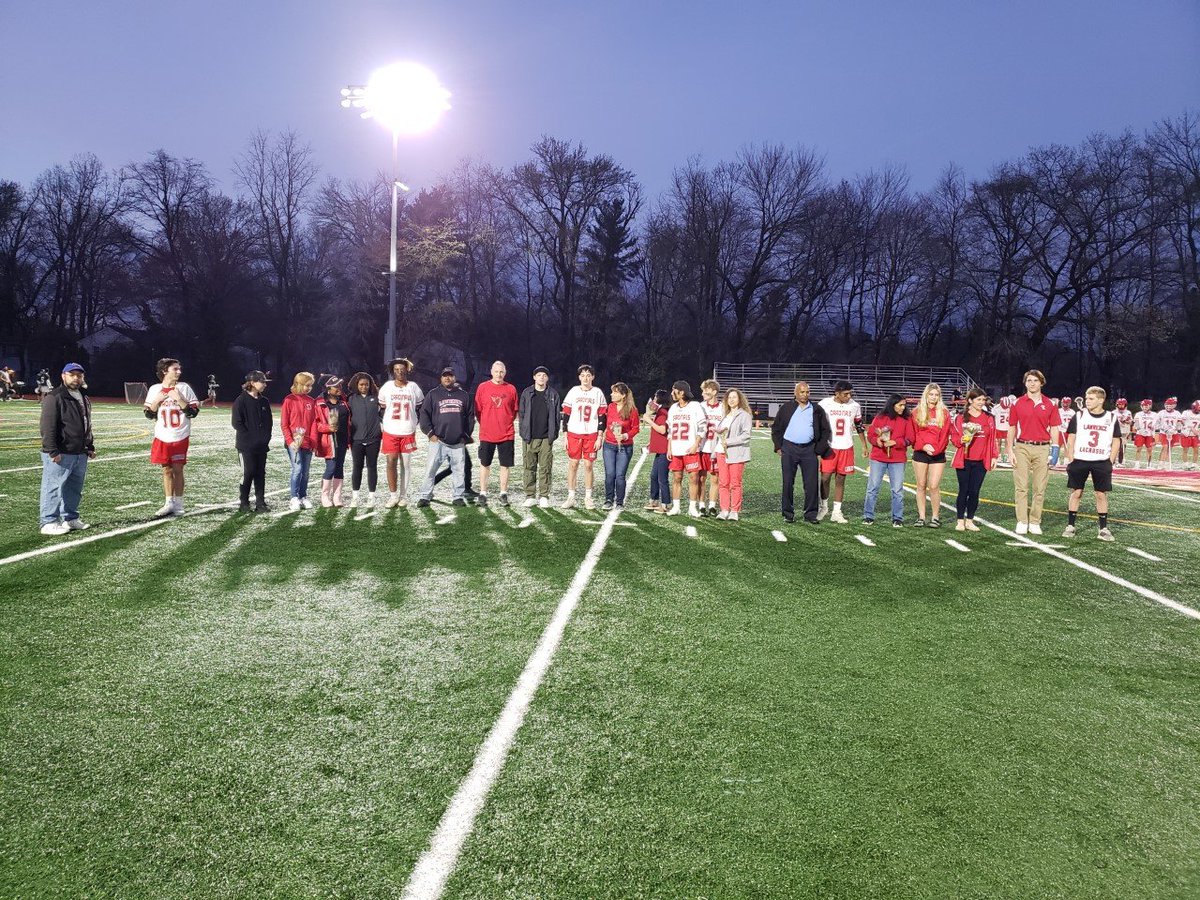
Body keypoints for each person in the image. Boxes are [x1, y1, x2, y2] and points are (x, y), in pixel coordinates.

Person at [38, 362, 95, 535]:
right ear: (64, 376)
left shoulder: (83, 396)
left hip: (80, 451)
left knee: (74, 489)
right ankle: (48, 521)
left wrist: (89, 445)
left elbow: (86, 423)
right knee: (53, 486)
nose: (76, 378)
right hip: (61, 451)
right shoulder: (54, 396)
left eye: (79, 375)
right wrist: (52, 450)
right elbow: (47, 426)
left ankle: (70, 518)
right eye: (72, 374)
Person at [1004, 369, 1061, 536]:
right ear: (1025, 383)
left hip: (1043, 448)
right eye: (1029, 380)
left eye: (1035, 380)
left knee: (1039, 487)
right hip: (1022, 447)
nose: (1032, 383)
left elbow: (1055, 427)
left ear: (1041, 382)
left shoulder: (1050, 404)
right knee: (1021, 487)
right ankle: (1022, 520)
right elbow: (1012, 427)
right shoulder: (1018, 403)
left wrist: (1055, 448)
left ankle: (1035, 521)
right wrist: (1010, 450)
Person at [144, 358, 201, 518]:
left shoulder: (184, 388)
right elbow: (149, 414)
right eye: (175, 369)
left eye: (179, 369)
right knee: (166, 470)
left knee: (178, 469)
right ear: (164, 371)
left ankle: (179, 503)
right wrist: (156, 401)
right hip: (162, 435)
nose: (179, 371)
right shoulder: (155, 389)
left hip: (180, 434)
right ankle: (168, 502)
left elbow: (193, 412)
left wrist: (179, 399)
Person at [1063, 386, 1121, 542]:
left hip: (1101, 460)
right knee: (1076, 492)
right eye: (1086, 398)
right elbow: (1071, 438)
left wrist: (1111, 460)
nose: (1087, 401)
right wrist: (1071, 458)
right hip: (1080, 459)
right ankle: (1070, 525)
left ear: (1101, 400)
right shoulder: (1079, 415)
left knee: (1101, 494)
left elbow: (1116, 440)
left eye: (1091, 399)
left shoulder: (1111, 417)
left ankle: (1103, 528)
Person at [771, 381, 832, 524]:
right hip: (789, 449)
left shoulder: (816, 409)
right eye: (802, 392)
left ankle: (811, 514)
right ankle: (788, 514)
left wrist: (818, 449)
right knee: (788, 482)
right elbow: (776, 428)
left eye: (807, 392)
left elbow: (825, 430)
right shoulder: (786, 408)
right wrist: (779, 446)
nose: (805, 395)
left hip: (809, 450)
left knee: (811, 483)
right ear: (795, 393)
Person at [417, 366, 474, 507]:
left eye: (450, 375)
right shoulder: (433, 394)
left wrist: (465, 435)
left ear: (454, 378)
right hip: (438, 441)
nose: (447, 378)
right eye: (444, 376)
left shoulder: (463, 395)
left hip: (457, 441)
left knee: (459, 471)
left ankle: (458, 497)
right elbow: (424, 414)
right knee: (430, 469)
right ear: (441, 378)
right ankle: (425, 495)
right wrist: (430, 433)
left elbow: (470, 417)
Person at [817, 380, 867, 523]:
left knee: (840, 479)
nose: (849, 396)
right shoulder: (825, 403)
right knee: (825, 478)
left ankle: (837, 512)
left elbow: (859, 425)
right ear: (836, 393)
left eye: (850, 393)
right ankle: (824, 507)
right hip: (829, 446)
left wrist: (864, 445)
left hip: (846, 446)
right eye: (845, 394)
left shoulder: (855, 406)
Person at [377, 357, 424, 508]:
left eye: (402, 369)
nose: (399, 372)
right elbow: (382, 407)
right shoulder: (387, 387)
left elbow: (419, 406)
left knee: (406, 464)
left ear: (407, 370)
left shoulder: (414, 387)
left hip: (408, 430)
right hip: (391, 429)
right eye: (396, 369)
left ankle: (403, 496)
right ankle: (393, 496)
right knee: (391, 462)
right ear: (392, 371)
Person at [949, 389, 997, 532]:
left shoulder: (989, 417)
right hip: (964, 459)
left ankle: (970, 520)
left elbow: (992, 437)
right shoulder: (961, 417)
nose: (981, 403)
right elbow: (954, 437)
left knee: (975, 491)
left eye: (983, 400)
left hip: (981, 460)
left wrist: (994, 456)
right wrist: (962, 440)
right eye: (978, 400)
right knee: (964, 490)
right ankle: (959, 520)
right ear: (970, 401)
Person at [863, 394, 914, 527]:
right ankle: (868, 516)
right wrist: (878, 441)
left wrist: (895, 442)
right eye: (900, 405)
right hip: (878, 457)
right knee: (872, 488)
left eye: (904, 405)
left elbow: (910, 439)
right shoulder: (880, 418)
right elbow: (871, 435)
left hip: (897, 459)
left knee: (897, 490)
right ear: (892, 405)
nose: (903, 408)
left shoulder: (907, 419)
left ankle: (897, 518)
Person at [560, 364, 606, 509]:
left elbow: (602, 416)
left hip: (591, 433)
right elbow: (566, 414)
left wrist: (599, 436)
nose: (585, 378)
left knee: (588, 465)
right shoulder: (573, 391)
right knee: (573, 464)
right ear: (579, 377)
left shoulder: (597, 392)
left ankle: (588, 497)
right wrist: (565, 435)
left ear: (593, 377)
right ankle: (571, 497)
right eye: (583, 375)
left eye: (588, 375)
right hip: (574, 433)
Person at [475, 360, 519, 507]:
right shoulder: (482, 388)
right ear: (491, 371)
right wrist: (488, 423)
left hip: (506, 434)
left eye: (501, 372)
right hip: (487, 434)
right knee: (484, 464)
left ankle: (503, 493)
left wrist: (504, 422)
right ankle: (483, 493)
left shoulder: (511, 389)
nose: (499, 374)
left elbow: (513, 411)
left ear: (505, 373)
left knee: (505, 465)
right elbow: (478, 411)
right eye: (496, 371)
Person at [518, 365, 560, 508]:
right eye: (539, 375)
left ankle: (543, 496)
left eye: (544, 375)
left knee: (545, 467)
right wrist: (523, 433)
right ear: (534, 377)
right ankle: (530, 495)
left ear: (547, 378)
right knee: (529, 467)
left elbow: (556, 417)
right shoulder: (526, 393)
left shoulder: (553, 394)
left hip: (545, 438)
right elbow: (522, 414)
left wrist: (553, 435)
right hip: (529, 436)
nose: (541, 377)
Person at [231, 370, 272, 513]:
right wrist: (251, 437)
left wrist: (265, 438)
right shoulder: (241, 400)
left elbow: (269, 422)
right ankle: (244, 502)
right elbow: (237, 423)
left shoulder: (264, 401)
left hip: (261, 446)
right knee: (248, 472)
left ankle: (260, 502)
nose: (265, 385)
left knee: (260, 473)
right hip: (246, 446)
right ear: (253, 383)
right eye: (262, 382)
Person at [911, 382, 951, 528]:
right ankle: (921, 517)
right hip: (921, 453)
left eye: (936, 395)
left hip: (938, 454)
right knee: (921, 485)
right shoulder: (916, 412)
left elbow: (945, 435)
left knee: (933, 486)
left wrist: (936, 449)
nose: (933, 397)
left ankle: (935, 517)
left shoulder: (944, 413)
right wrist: (923, 446)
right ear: (926, 395)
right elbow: (914, 433)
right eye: (931, 394)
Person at [665, 380, 706, 518]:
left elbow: (702, 427)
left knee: (694, 478)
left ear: (681, 392)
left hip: (690, 449)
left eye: (674, 390)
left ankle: (692, 507)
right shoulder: (673, 408)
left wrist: (696, 444)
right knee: (676, 477)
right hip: (676, 448)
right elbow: (670, 431)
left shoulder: (695, 406)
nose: (672, 393)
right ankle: (676, 507)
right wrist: (669, 448)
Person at [280, 371, 318, 511]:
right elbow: (284, 424)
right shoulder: (289, 400)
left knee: (306, 472)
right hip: (294, 444)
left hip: (308, 442)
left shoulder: (311, 401)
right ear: (298, 384)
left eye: (310, 386)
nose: (309, 388)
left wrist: (314, 441)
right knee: (297, 469)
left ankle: (303, 496)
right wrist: (290, 441)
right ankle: (294, 498)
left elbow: (314, 422)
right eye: (306, 385)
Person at [714, 387, 752, 521]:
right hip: (721, 452)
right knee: (723, 482)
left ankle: (734, 510)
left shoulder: (745, 415)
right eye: (729, 398)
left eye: (734, 397)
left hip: (736, 453)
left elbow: (746, 435)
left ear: (739, 399)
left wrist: (729, 442)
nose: (731, 400)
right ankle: (724, 509)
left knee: (735, 483)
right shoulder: (725, 415)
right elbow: (720, 435)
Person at [601, 382, 640, 510]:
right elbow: (606, 423)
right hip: (609, 445)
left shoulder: (632, 410)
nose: (612, 394)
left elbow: (635, 428)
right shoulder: (610, 407)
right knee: (610, 474)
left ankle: (619, 502)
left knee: (620, 475)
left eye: (615, 392)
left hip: (625, 447)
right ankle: (608, 499)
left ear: (623, 395)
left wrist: (625, 436)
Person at [346, 372, 382, 508]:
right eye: (361, 384)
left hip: (374, 439)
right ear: (357, 385)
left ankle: (371, 497)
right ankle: (355, 497)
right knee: (357, 467)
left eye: (366, 384)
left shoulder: (376, 398)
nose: (364, 387)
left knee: (372, 467)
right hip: (357, 440)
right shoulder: (351, 399)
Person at [315, 376, 350, 507]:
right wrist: (327, 427)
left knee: (339, 467)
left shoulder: (344, 401)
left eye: (340, 386)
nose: (339, 389)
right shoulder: (320, 402)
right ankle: (325, 496)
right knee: (331, 467)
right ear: (328, 389)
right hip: (329, 440)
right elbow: (316, 423)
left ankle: (337, 497)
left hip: (342, 439)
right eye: (336, 386)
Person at [697, 378, 724, 516]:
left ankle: (712, 506)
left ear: (714, 392)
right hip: (702, 447)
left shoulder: (723, 408)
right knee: (701, 478)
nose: (703, 393)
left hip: (716, 447)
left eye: (706, 390)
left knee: (715, 479)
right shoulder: (700, 406)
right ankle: (701, 506)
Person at [642, 389, 671, 513]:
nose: (654, 399)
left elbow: (662, 430)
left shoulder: (663, 412)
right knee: (654, 476)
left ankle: (665, 504)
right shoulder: (660, 412)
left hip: (664, 450)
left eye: (655, 396)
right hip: (660, 449)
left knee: (662, 478)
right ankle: (654, 500)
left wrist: (648, 420)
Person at [1154, 396, 1182, 470]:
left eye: (1170, 405)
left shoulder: (1177, 413)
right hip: (1164, 432)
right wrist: (1165, 430)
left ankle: (1166, 464)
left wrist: (1174, 429)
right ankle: (1160, 464)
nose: (1168, 406)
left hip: (1173, 433)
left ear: (1174, 405)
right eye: (1167, 404)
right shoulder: (1161, 413)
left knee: (1170, 448)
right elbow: (1157, 423)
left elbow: (1179, 424)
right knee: (1165, 447)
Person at [1050, 396, 1075, 467]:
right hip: (1060, 430)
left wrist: (1069, 426)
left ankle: (1066, 461)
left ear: (1069, 403)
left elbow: (1073, 421)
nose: (1065, 405)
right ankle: (1056, 461)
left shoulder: (1072, 412)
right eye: (1064, 403)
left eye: (1066, 403)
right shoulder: (1058, 411)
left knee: (1067, 446)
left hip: (1068, 431)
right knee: (1057, 446)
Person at [1132, 399, 1156, 470]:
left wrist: (1153, 426)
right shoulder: (1138, 414)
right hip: (1140, 433)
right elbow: (1136, 423)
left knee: (1149, 449)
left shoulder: (1154, 415)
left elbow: (1156, 424)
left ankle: (1149, 465)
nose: (1145, 407)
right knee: (1138, 449)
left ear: (1150, 406)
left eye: (1146, 405)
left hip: (1150, 434)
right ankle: (1137, 464)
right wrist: (1140, 429)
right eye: (1143, 405)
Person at [994, 394, 1016, 467]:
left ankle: (1005, 456)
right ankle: (999, 456)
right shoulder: (997, 408)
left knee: (1007, 443)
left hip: (1006, 428)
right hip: (1000, 427)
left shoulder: (1010, 408)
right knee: (999, 443)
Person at [1113, 398, 1133, 467]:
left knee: (1122, 447)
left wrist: (1126, 421)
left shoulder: (1128, 412)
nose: (1121, 406)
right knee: (1114, 447)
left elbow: (1130, 422)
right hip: (1115, 432)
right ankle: (1113, 461)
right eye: (1120, 404)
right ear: (1117, 405)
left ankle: (1120, 462)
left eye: (1122, 404)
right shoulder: (1113, 412)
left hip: (1124, 432)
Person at [1182, 400, 1200, 471]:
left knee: (1196, 450)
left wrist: (1198, 431)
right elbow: (1182, 421)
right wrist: (1190, 427)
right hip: (1186, 434)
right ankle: (1185, 464)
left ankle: (1194, 464)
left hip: (1195, 435)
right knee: (1185, 450)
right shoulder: (1186, 412)